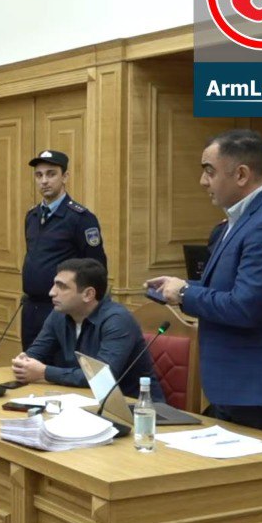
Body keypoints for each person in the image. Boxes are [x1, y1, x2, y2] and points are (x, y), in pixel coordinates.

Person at [146, 129, 262, 439]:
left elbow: (245, 307)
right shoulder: (246, 217)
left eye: (209, 171)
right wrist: (183, 285)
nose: (203, 181)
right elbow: (232, 286)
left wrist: (185, 293)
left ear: (241, 174)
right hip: (241, 386)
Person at [12, 258, 163, 401]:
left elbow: (102, 378)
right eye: (54, 284)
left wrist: (44, 372)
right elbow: (35, 354)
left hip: (136, 407)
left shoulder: (117, 320)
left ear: (88, 294)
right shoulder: (59, 314)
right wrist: (23, 363)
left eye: (62, 286)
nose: (52, 292)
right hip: (83, 398)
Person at [21, 150, 107, 350]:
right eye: (39, 175)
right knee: (29, 360)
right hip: (31, 307)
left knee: (56, 362)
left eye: (51, 174)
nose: (44, 181)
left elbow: (96, 268)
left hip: (62, 309)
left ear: (65, 177)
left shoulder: (81, 218)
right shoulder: (32, 216)